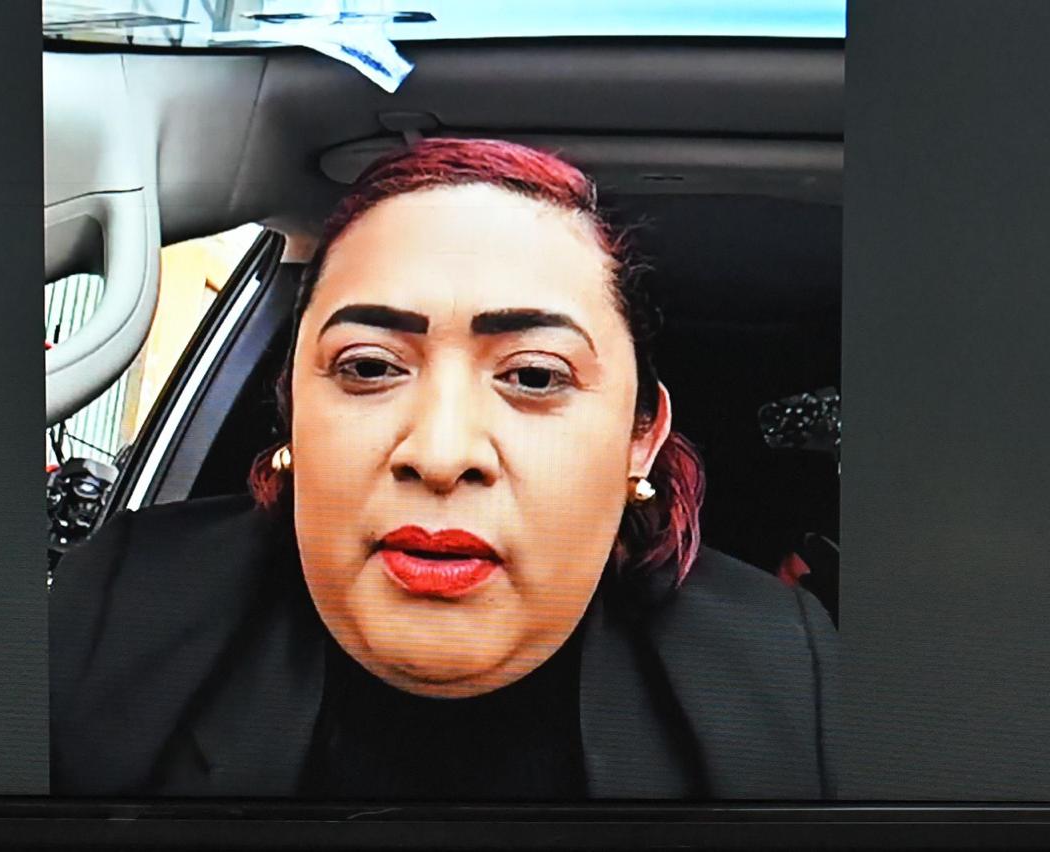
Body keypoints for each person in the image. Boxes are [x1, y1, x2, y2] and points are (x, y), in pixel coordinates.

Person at [49, 139, 836, 800]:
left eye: (535, 376)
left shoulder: (792, 686)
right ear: (292, 415)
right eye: (368, 367)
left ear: (640, 440)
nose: (441, 453)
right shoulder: (116, 617)